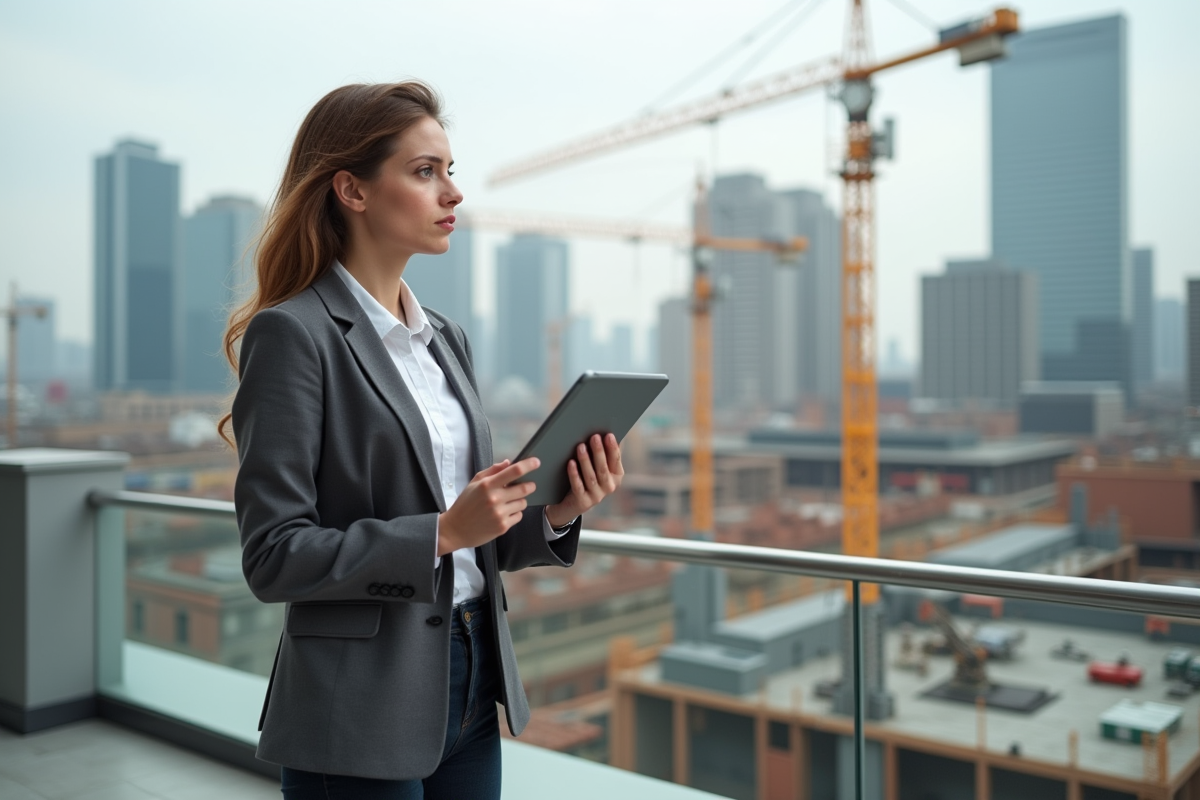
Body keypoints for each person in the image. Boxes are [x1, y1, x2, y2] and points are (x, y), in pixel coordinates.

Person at [220, 81, 623, 799]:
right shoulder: (293, 336)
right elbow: (273, 557)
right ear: (353, 190)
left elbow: (477, 537)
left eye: (451, 169)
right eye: (425, 171)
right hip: (359, 701)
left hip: (472, 676)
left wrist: (557, 511)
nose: (453, 194)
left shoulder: (446, 339)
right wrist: (438, 533)